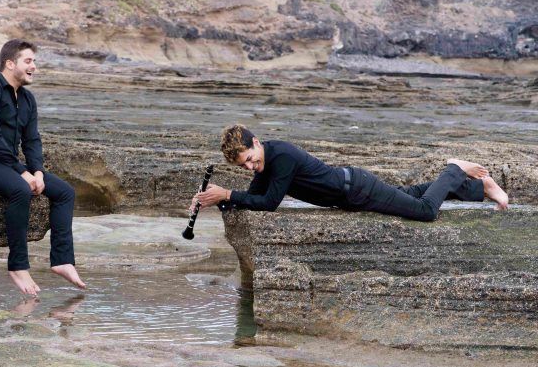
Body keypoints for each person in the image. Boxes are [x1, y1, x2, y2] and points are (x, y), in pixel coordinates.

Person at [0, 39, 85, 296]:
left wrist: (37, 171)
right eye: (28, 61)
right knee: (21, 189)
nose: (34, 67)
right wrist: (22, 172)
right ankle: (17, 266)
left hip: (5, 164)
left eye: (34, 62)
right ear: (10, 63)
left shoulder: (27, 99)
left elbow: (32, 140)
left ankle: (62, 260)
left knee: (64, 192)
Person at [193, 124, 509, 219]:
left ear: (256, 142)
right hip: (352, 193)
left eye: (249, 158)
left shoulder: (282, 156)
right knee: (412, 194)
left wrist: (228, 193)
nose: (250, 167)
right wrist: (215, 199)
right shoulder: (268, 159)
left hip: (357, 188)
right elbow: (254, 196)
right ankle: (480, 188)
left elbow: (270, 202)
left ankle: (454, 169)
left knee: (425, 211)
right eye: (244, 165)